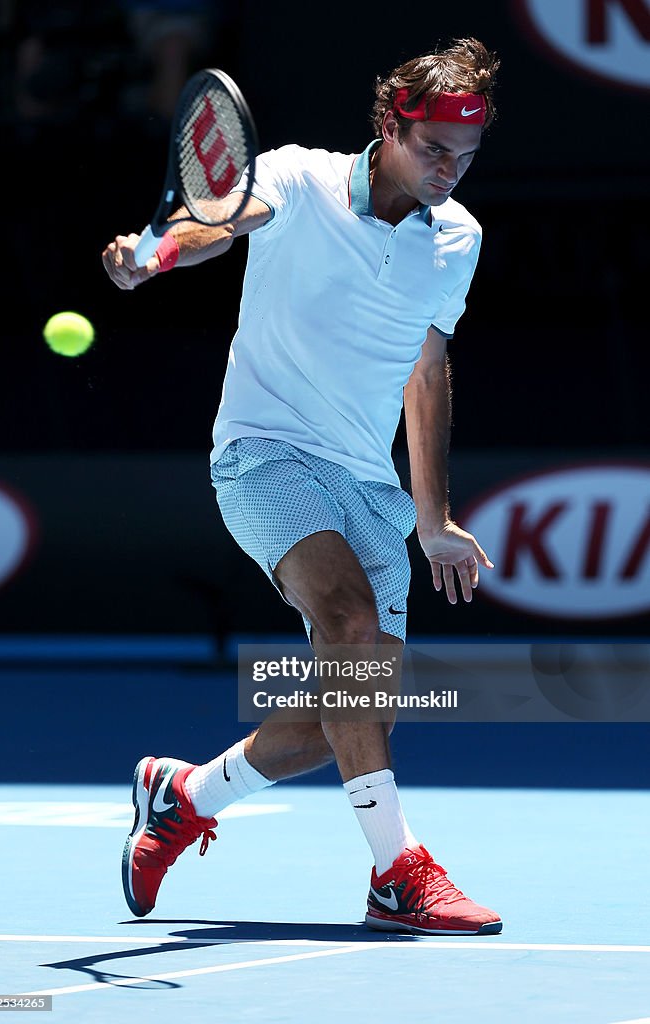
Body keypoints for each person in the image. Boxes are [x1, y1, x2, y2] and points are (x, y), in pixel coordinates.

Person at [103, 37, 502, 936]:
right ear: (391, 125)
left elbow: (425, 368)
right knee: (351, 626)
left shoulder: (457, 239)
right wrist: (156, 252)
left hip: (369, 485)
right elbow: (220, 218)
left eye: (464, 157)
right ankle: (399, 872)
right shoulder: (296, 178)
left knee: (344, 710)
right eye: (432, 149)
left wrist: (431, 517)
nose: (447, 171)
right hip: (265, 451)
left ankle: (184, 794)